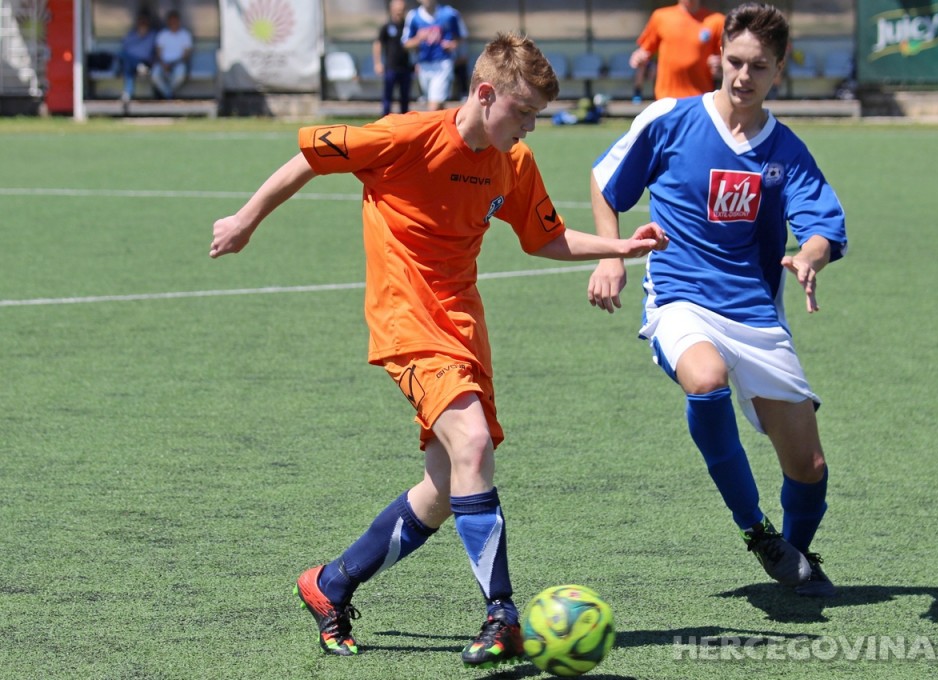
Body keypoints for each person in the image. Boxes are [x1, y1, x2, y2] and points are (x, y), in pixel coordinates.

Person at [209, 32, 667, 668]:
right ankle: (502, 614)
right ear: (485, 94)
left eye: (536, 115)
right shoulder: (406, 135)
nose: (530, 126)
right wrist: (245, 219)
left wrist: (620, 248)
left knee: (446, 486)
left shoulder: (513, 161)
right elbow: (311, 156)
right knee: (473, 445)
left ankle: (331, 583)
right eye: (523, 111)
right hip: (406, 320)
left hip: (462, 325)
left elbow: (544, 238)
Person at [587, 2, 847, 597]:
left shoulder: (786, 151)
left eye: (759, 66)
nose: (743, 76)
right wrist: (611, 255)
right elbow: (605, 183)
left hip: (755, 311)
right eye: (735, 61)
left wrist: (810, 257)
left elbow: (822, 226)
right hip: (680, 296)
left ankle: (795, 555)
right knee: (705, 380)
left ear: (779, 70)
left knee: (809, 467)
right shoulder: (670, 119)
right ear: (719, 56)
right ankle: (756, 530)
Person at [630, 0, 724, 100]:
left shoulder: (717, 21)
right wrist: (638, 58)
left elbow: (726, 60)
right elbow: (645, 51)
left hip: (701, 98)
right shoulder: (661, 17)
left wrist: (719, 66)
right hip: (666, 98)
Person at [402, 0, 466, 111]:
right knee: (437, 104)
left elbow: (461, 36)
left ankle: (434, 122)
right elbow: (406, 44)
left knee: (433, 105)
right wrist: (419, 38)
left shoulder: (450, 14)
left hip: (443, 63)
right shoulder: (413, 16)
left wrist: (453, 44)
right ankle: (446, 121)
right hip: (424, 65)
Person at [374, 0, 414, 116]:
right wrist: (377, 63)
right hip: (391, 67)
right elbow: (378, 44)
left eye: (402, 9)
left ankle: (405, 121)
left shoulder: (408, 27)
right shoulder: (387, 26)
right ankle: (385, 119)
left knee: (405, 97)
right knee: (388, 95)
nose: (399, 12)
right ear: (392, 9)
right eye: (397, 9)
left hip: (406, 67)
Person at [151, 9, 193, 99]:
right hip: (163, 63)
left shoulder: (185, 35)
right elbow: (158, 52)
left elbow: (186, 54)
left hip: (178, 62)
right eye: (171, 21)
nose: (173, 23)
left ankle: (166, 93)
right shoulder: (163, 34)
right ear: (168, 22)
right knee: (155, 75)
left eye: (175, 21)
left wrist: (173, 64)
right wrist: (164, 64)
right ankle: (168, 94)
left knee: (179, 75)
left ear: (179, 21)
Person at [118, 12, 156, 107]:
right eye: (141, 22)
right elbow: (124, 47)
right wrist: (139, 36)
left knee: (128, 65)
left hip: (145, 62)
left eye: (144, 22)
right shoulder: (132, 34)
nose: (143, 25)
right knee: (125, 59)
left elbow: (155, 51)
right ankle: (138, 67)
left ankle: (128, 93)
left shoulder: (152, 35)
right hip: (133, 63)